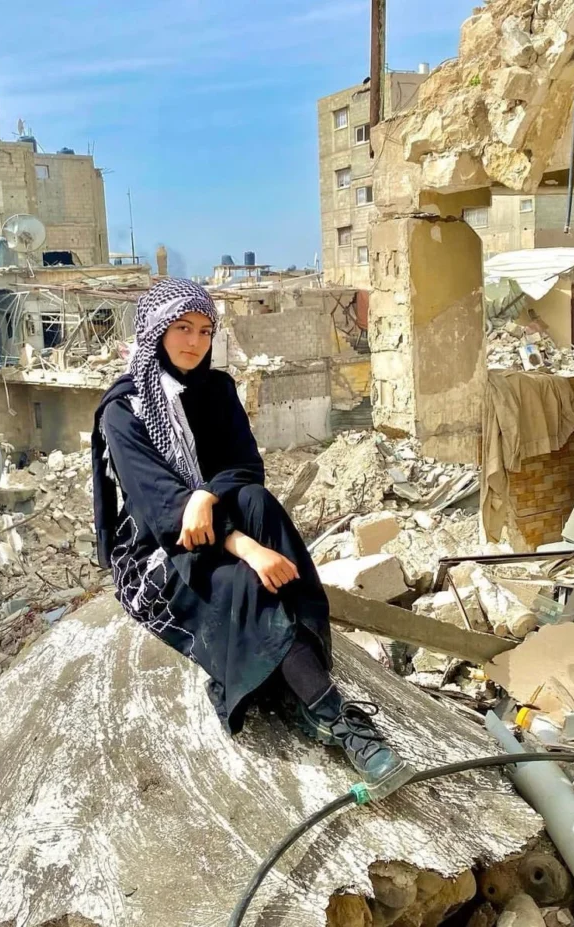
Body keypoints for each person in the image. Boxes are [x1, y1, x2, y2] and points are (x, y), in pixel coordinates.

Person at [91, 277, 411, 787]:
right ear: (154, 331)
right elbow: (159, 507)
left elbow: (245, 466)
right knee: (246, 584)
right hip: (156, 546)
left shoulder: (215, 389)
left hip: (209, 516)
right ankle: (332, 714)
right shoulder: (123, 411)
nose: (194, 342)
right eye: (182, 328)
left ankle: (298, 658)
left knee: (257, 501)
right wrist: (247, 547)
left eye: (204, 330)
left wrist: (206, 494)